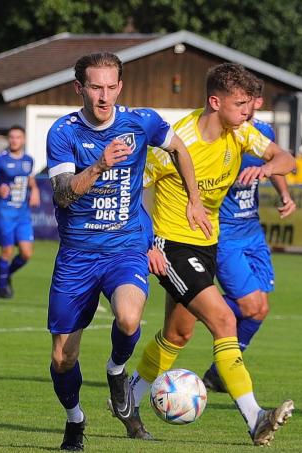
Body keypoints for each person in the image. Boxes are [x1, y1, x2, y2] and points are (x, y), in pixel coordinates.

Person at [45, 52, 209, 451]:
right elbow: (63, 196)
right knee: (63, 358)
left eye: (111, 86)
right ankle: (75, 420)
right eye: (95, 87)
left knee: (129, 316)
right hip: (78, 256)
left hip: (126, 248)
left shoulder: (141, 121)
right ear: (79, 88)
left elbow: (179, 149)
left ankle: (117, 372)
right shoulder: (63, 133)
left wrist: (195, 199)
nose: (104, 96)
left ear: (120, 86)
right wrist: (100, 165)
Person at [127, 62, 296, 447]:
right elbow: (132, 192)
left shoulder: (240, 133)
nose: (248, 112)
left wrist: (268, 169)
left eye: (249, 106)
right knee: (223, 319)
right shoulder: (178, 139)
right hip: (171, 247)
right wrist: (148, 242)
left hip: (207, 246)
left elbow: (287, 158)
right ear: (215, 101)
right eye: (240, 105)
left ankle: (127, 400)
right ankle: (256, 418)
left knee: (178, 333)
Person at [201, 75, 297, 392]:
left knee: (261, 308)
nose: (249, 108)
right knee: (248, 305)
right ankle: (196, 306)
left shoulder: (262, 134)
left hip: (252, 230)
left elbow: (278, 162)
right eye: (242, 101)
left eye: (253, 101)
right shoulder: (223, 136)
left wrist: (282, 191)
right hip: (225, 234)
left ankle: (218, 373)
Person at [0, 125, 40, 298]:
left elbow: (29, 178)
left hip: (22, 214)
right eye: (12, 137)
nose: (14, 140)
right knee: (7, 251)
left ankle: (6, 275)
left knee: (26, 253)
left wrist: (35, 189)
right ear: (9, 139)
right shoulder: (0, 159)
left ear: (23, 140)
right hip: (4, 213)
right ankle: (1, 289)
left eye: (18, 137)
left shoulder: (29, 160)